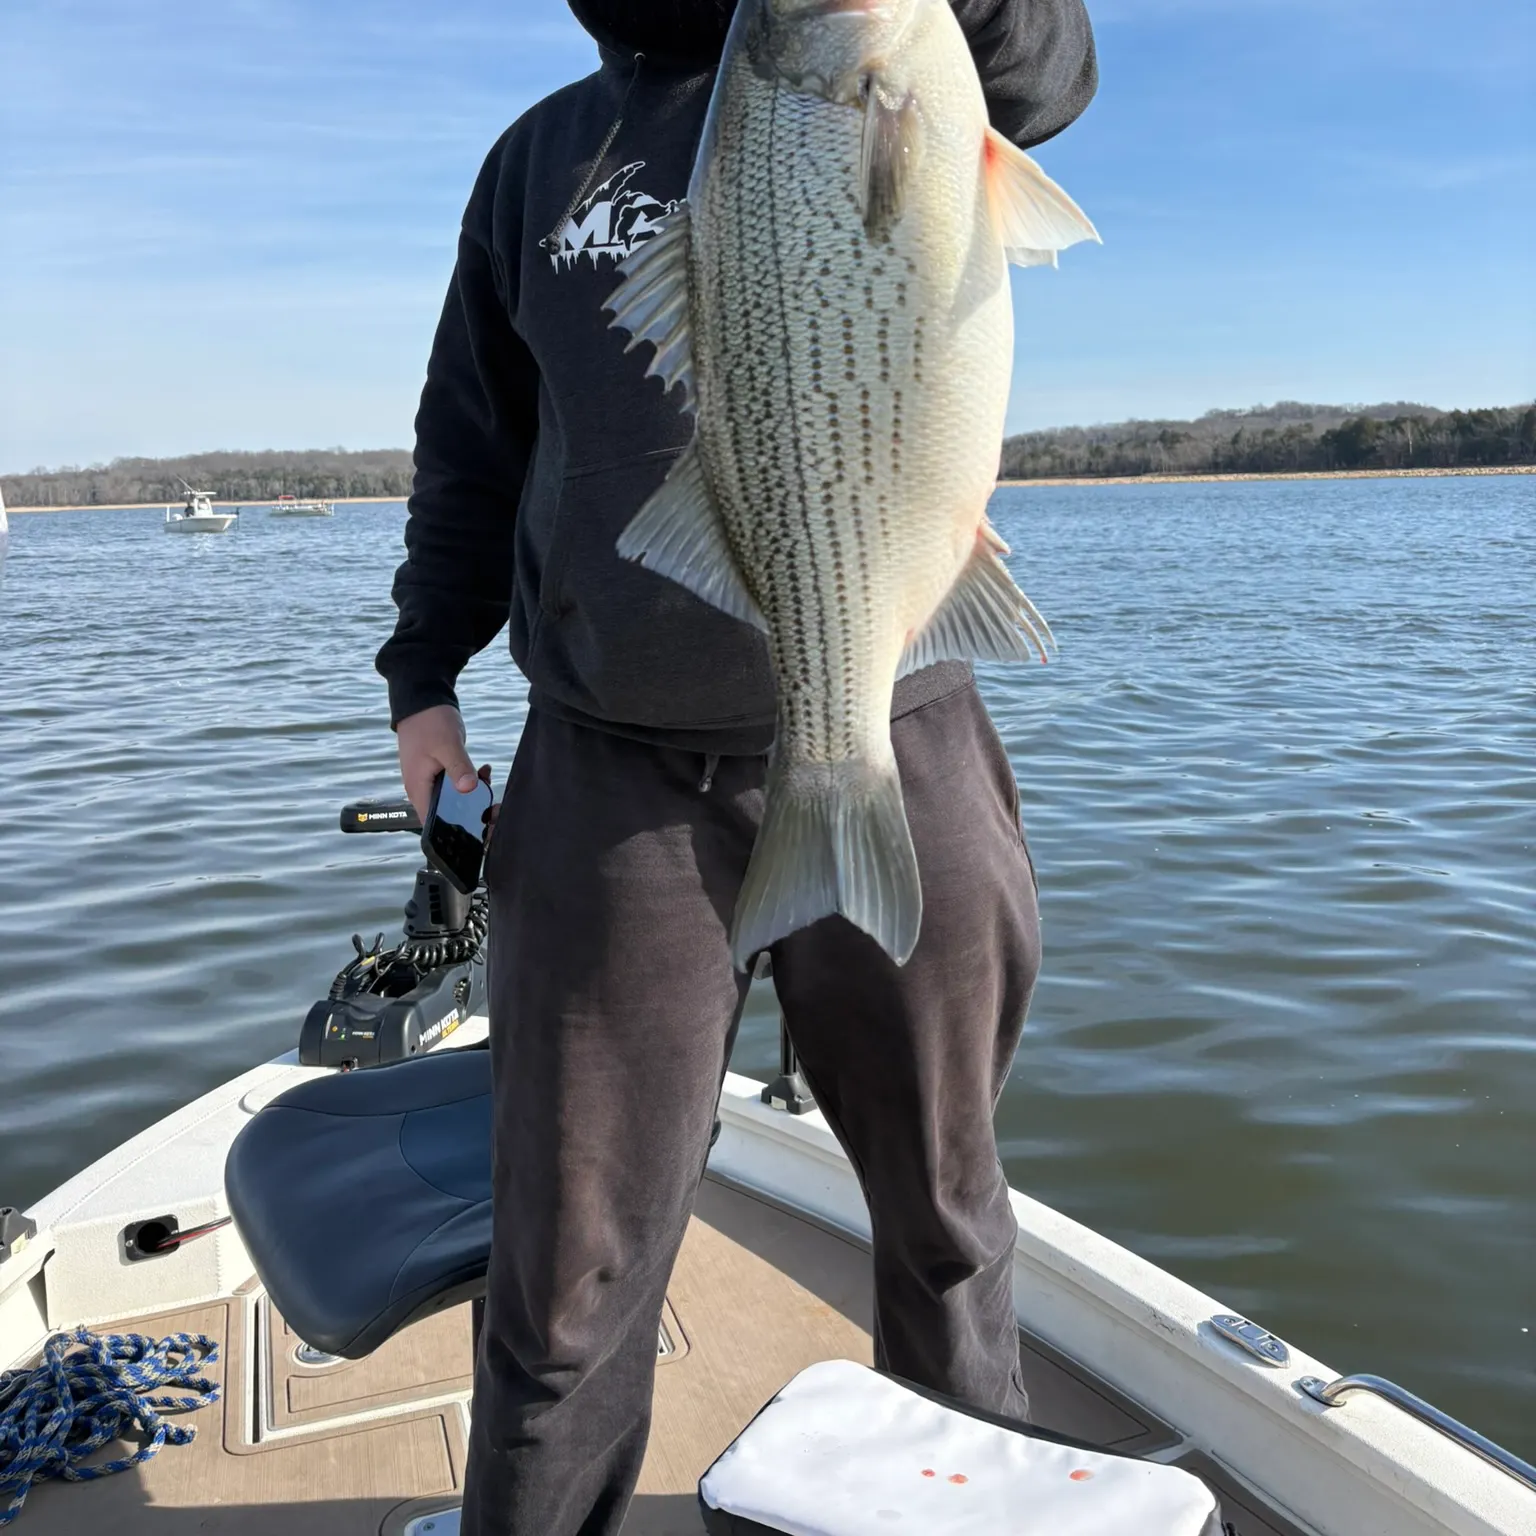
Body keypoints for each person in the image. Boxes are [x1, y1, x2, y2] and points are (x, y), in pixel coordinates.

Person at [376, 3, 1097, 1532]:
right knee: (565, 1277)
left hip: (897, 719)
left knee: (949, 1218)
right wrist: (422, 675)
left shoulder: (902, 59)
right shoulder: (537, 164)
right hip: (610, 774)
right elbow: (472, 440)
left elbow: (1045, 73)